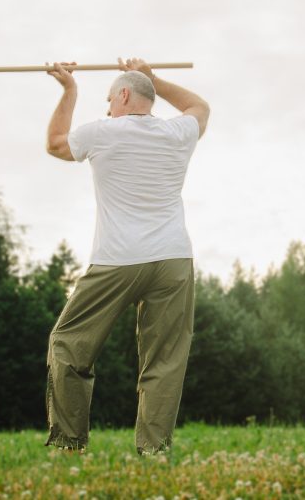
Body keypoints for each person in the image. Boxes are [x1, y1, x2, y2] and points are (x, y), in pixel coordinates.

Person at [42, 57, 209, 454]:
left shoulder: (104, 132)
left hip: (118, 259)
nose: (106, 108)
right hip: (173, 259)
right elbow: (199, 107)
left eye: (108, 99)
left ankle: (68, 443)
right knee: (165, 361)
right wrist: (155, 78)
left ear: (122, 95)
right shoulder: (177, 132)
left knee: (67, 345)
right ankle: (153, 451)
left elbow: (55, 143)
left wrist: (69, 91)